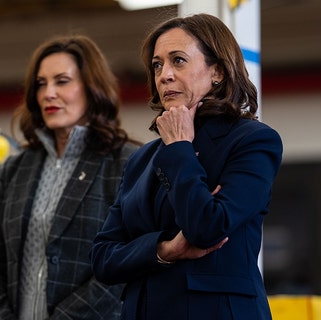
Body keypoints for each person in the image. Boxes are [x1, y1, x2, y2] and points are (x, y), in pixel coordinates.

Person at [90, 13, 283, 320]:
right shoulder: (142, 159)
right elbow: (102, 258)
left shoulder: (253, 141)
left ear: (217, 71)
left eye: (178, 60)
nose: (164, 74)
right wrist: (164, 249)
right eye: (157, 65)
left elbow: (207, 228)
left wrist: (180, 147)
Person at [0, 34, 139, 319]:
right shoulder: (16, 169)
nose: (48, 93)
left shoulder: (125, 162)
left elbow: (126, 263)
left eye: (62, 81)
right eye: (41, 84)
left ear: (91, 87)